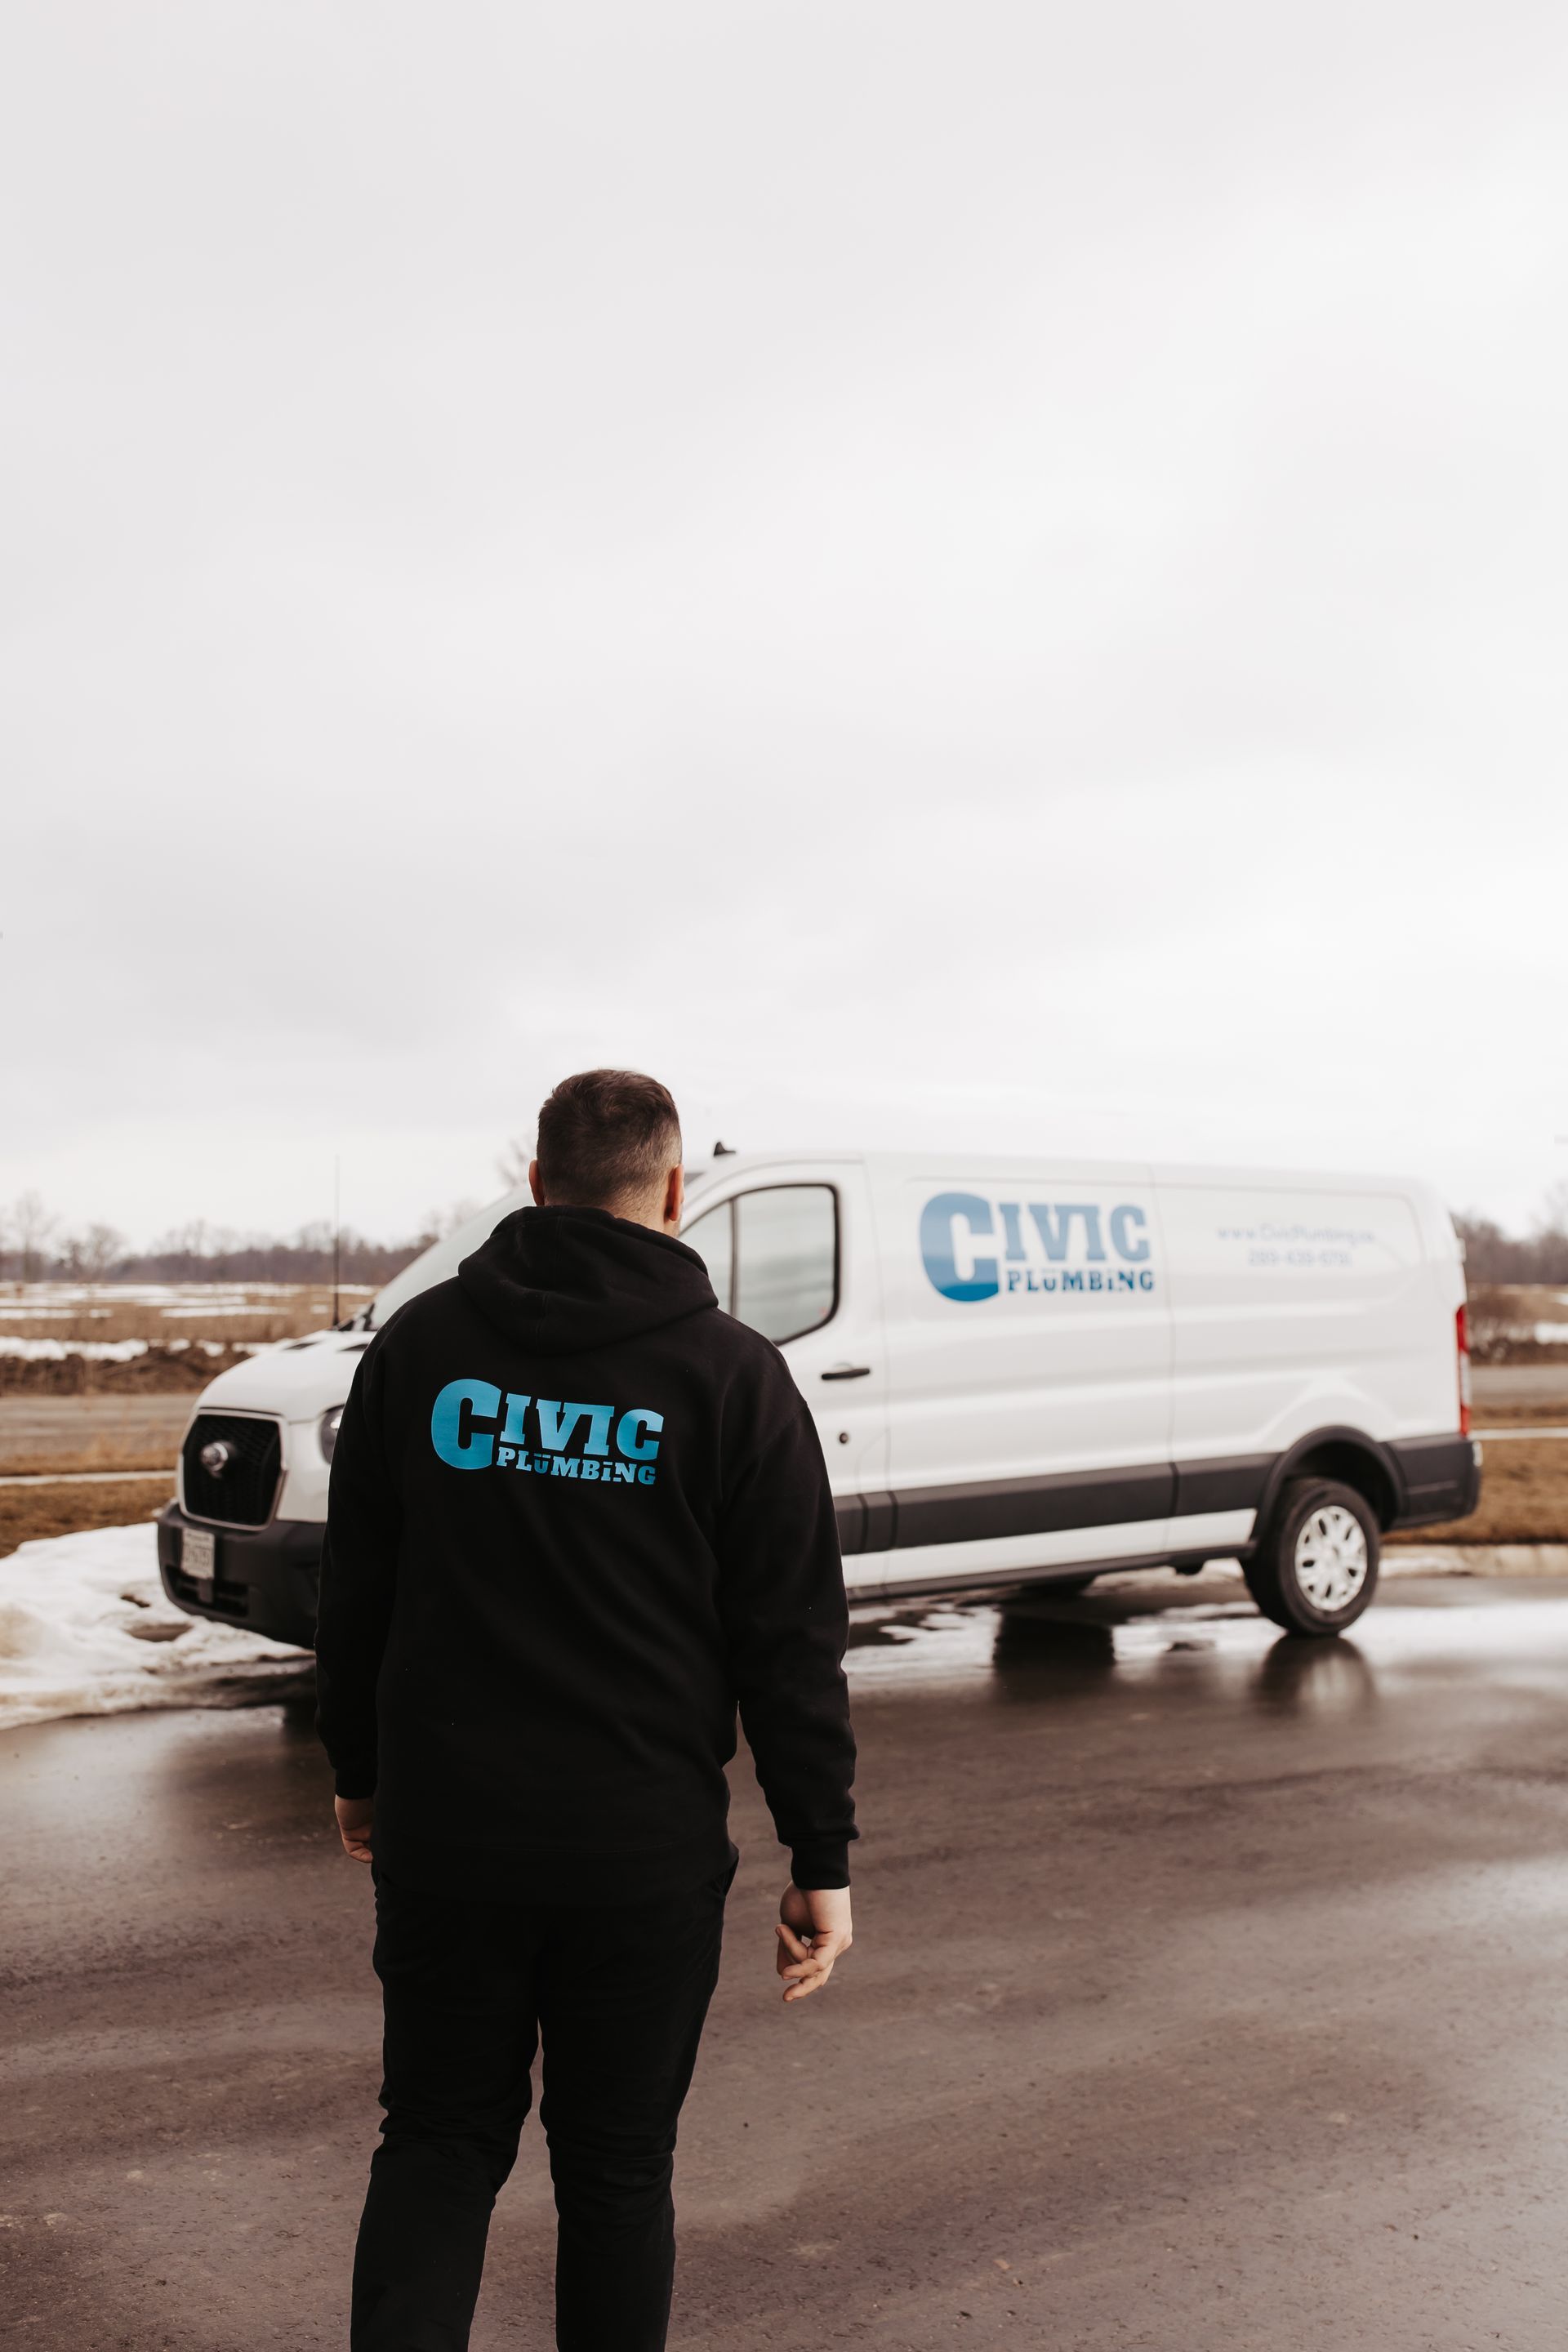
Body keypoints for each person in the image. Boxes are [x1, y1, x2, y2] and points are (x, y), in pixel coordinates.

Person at [316, 1068, 858, 2352]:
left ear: (537, 1181)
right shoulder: (733, 1378)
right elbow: (791, 1646)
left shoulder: (426, 1348)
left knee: (440, 2144)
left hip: (448, 1840)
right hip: (637, 1858)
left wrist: (360, 1774)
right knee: (616, 2171)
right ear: (675, 1192)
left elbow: (358, 1590)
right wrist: (818, 1860)